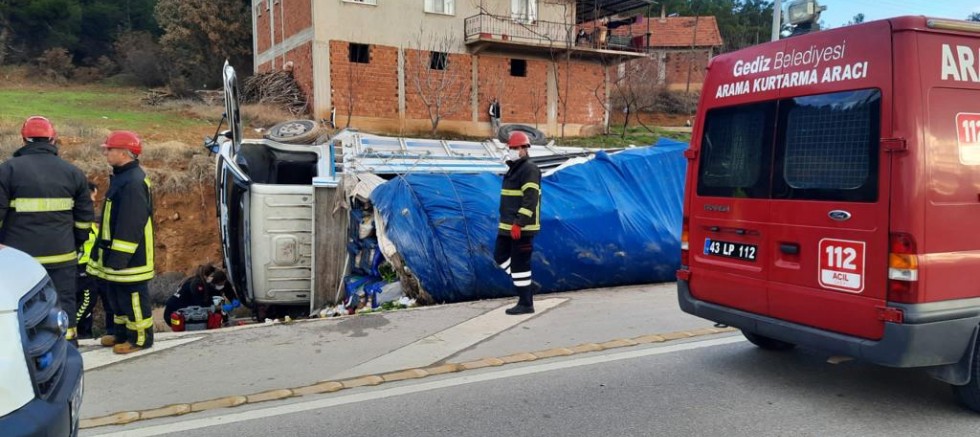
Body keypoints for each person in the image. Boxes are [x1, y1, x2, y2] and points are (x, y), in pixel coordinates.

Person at [0, 116, 94, 346]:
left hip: (20, 258)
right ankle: (68, 344)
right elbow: (84, 220)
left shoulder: (7, 170)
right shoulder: (72, 172)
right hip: (62, 256)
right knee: (63, 301)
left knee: (22, 302)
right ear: (53, 139)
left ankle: (28, 348)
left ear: (24, 139)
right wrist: (76, 243)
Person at [87, 131, 156, 354]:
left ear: (125, 153)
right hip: (116, 255)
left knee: (133, 297)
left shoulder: (133, 182)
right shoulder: (123, 177)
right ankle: (122, 333)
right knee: (117, 296)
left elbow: (130, 223)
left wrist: (119, 256)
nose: (106, 152)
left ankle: (140, 339)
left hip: (131, 258)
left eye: (110, 149)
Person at [494, 131, 541, 315]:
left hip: (521, 227)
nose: (511, 151)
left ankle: (526, 303)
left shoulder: (529, 169)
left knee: (521, 264)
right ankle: (528, 286)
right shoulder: (514, 169)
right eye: (510, 148)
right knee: (500, 256)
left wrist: (519, 223)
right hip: (507, 226)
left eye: (514, 148)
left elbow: (531, 199)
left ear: (523, 149)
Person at [75, 182, 115, 340]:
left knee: (108, 302)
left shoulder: (96, 225)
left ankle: (107, 332)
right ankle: (69, 327)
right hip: (81, 269)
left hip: (99, 269)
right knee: (87, 300)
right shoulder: (79, 221)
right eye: (92, 197)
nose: (94, 201)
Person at [163, 264, 234, 329]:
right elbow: (203, 304)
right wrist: (222, 314)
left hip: (175, 313)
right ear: (207, 276)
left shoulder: (199, 282)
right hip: (173, 315)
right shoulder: (197, 285)